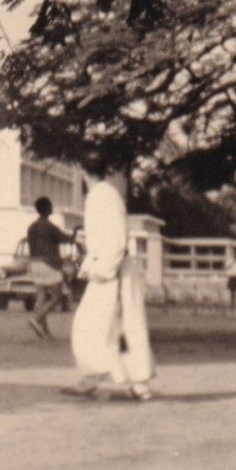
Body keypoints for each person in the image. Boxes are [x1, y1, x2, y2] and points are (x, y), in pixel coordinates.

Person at [65, 168, 154, 401]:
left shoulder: (102, 196)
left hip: (111, 272)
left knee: (115, 327)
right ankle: (96, 377)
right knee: (103, 327)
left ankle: (135, 383)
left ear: (85, 172)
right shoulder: (105, 194)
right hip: (108, 268)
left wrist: (105, 270)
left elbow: (115, 240)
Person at [23, 197, 71, 340]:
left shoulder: (31, 227)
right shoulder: (50, 227)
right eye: (50, 206)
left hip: (35, 263)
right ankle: (36, 319)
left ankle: (45, 332)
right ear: (47, 209)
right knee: (56, 297)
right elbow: (65, 239)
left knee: (41, 296)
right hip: (49, 264)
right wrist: (74, 235)